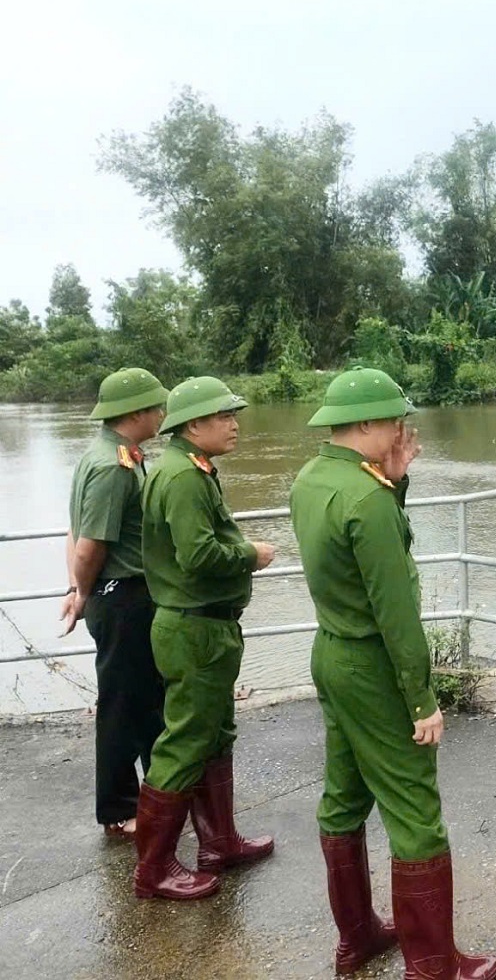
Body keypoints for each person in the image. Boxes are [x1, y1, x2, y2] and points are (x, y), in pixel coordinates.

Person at [290, 369, 496, 980]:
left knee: (345, 795)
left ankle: (356, 938)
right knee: (414, 808)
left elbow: (356, 561)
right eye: (393, 422)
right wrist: (422, 700)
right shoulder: (366, 497)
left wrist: (396, 482)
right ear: (363, 425)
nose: (402, 432)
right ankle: (434, 966)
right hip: (375, 665)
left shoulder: (314, 478)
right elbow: (397, 614)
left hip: (332, 653)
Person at [134, 376, 277, 901]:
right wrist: (250, 555)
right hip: (194, 628)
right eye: (224, 416)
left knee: (214, 734)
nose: (235, 424)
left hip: (204, 624)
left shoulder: (187, 468)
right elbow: (197, 555)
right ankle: (154, 869)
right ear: (194, 425)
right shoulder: (184, 478)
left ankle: (220, 843)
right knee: (186, 742)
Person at [63, 367, 169, 837]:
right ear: (137, 412)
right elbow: (89, 544)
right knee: (124, 707)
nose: (164, 413)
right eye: (157, 406)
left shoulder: (106, 454)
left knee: (147, 702)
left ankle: (156, 796)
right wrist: (81, 591)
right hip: (122, 597)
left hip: (122, 596)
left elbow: (74, 531)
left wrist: (78, 587)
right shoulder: (113, 466)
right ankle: (119, 810)